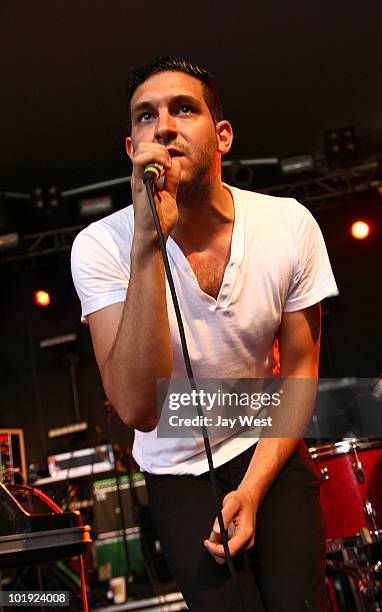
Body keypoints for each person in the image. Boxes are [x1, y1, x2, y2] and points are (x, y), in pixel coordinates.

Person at [71, 56, 338, 611]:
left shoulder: (287, 224)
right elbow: (139, 408)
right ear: (130, 148)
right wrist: (148, 243)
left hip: (270, 445)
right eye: (145, 117)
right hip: (179, 470)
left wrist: (254, 488)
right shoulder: (101, 246)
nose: (162, 126)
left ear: (223, 136)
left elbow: (300, 371)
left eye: (182, 109)